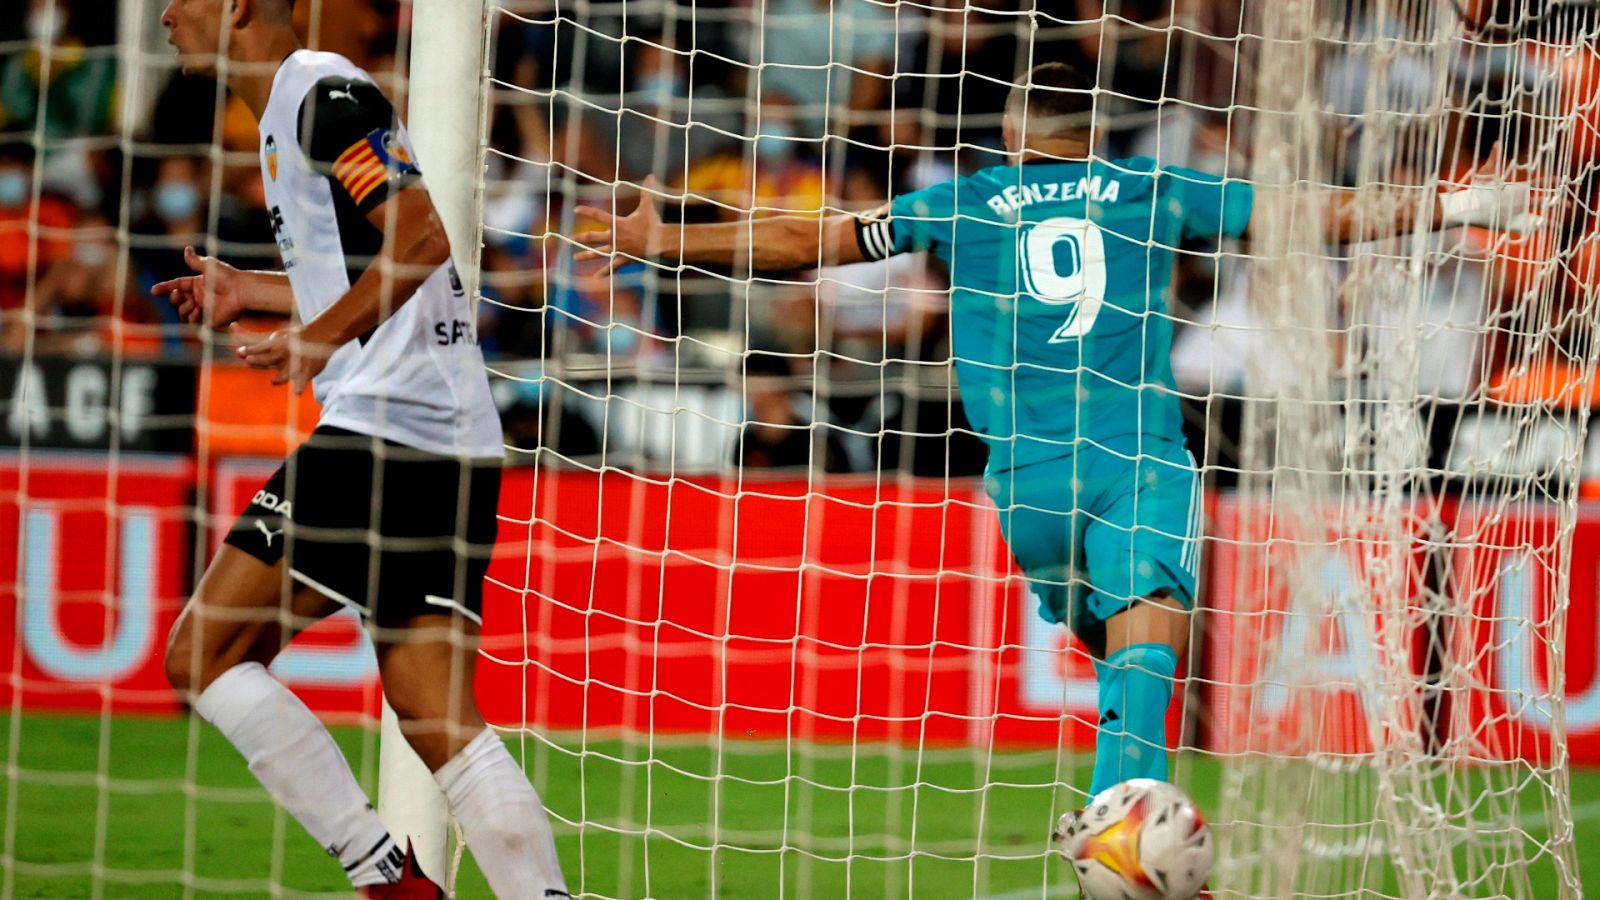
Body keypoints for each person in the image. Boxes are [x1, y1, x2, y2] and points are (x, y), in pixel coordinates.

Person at [573, 61, 1532, 837]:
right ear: (1101, 132)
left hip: (1028, 490)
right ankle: (1128, 848)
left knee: (1123, 669)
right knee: (1145, 674)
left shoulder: (969, 200)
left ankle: (1128, 840)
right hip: (1135, 462)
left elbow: (808, 240)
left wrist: (665, 238)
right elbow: (1304, 215)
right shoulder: (1151, 187)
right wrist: (1453, 206)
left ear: (1016, 131)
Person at [154, 1, 570, 897]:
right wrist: (255, 295)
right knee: (435, 713)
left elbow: (422, 237)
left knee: (203, 656)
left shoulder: (324, 92)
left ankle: (389, 881)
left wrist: (313, 341)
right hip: (449, 440)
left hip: (388, 431)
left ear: (235, 8)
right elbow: (367, 273)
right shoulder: (289, 111)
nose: (163, 15)